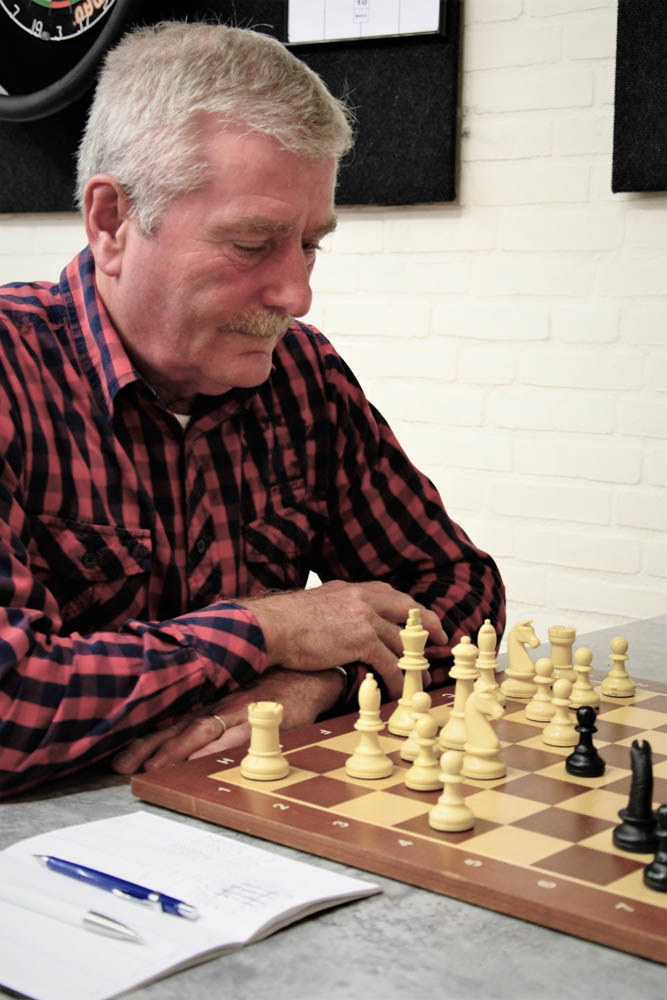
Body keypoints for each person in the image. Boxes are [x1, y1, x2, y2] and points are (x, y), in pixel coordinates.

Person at [0, 22, 505, 798]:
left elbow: (458, 590)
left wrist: (317, 682)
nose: (296, 295)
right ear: (111, 222)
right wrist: (268, 627)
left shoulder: (303, 375)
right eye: (250, 243)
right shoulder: (12, 371)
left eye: (309, 244)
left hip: (250, 824)